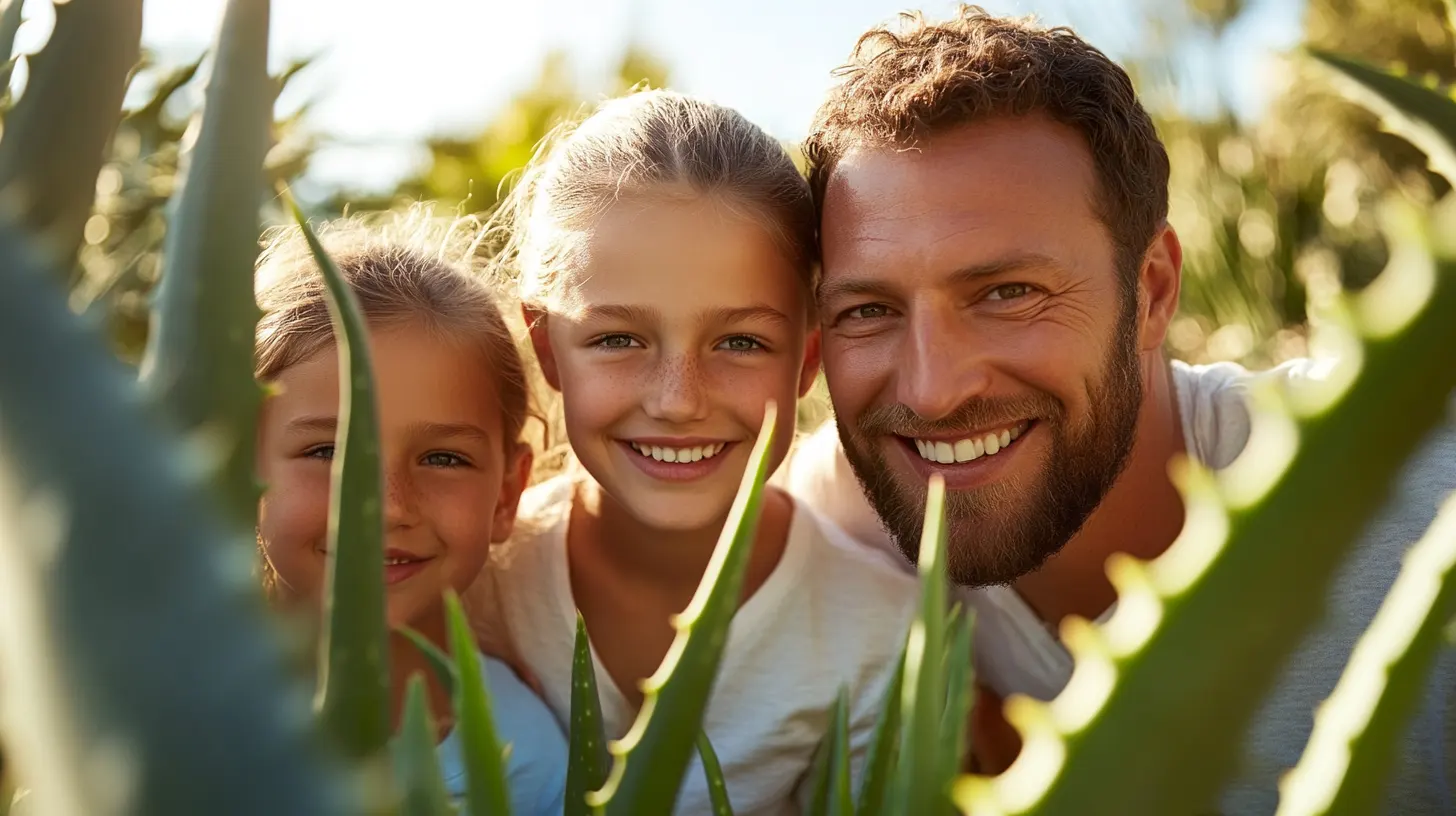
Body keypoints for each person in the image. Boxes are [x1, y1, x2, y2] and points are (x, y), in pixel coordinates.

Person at [783, 5, 1456, 812]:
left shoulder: (1418, 497)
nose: (931, 391)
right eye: (868, 310)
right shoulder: (835, 522)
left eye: (1008, 293)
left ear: (1153, 292)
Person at [463, 89, 918, 815]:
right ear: (549, 349)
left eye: (740, 342)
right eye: (618, 340)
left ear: (805, 363)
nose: (678, 400)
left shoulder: (879, 636)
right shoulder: (475, 584)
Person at [252, 214, 567, 814]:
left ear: (506, 494)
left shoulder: (525, 757)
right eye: (329, 451)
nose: (390, 506)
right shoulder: (172, 715)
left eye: (443, 458)